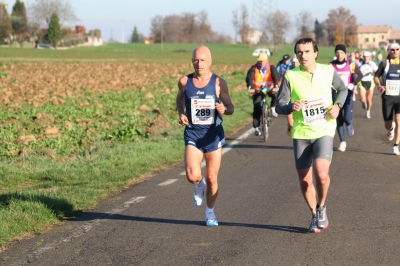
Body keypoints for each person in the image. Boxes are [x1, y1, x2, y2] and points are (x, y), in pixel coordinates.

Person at [275, 37, 348, 233]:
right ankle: (315, 214)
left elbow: (342, 89)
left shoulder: (328, 71)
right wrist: (291, 106)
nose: (303, 55)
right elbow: (279, 106)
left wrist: (337, 106)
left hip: (324, 129)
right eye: (300, 52)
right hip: (301, 133)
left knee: (321, 174)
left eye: (307, 51)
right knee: (305, 181)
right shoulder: (290, 76)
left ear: (315, 52)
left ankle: (322, 206)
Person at [176, 46, 234, 226]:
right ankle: (199, 185)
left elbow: (230, 107)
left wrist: (224, 109)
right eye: (195, 60)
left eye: (202, 60)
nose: (198, 63)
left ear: (210, 61)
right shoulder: (185, 82)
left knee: (212, 177)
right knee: (193, 176)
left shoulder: (218, 83)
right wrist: (181, 113)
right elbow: (179, 99)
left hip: (213, 135)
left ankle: (210, 212)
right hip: (193, 132)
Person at [374, 42, 400, 155]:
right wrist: (380, 86)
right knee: (388, 124)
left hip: (399, 97)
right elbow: (376, 77)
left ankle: (396, 145)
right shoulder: (384, 64)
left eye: (397, 49)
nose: (395, 51)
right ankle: (390, 129)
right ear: (389, 51)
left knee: (399, 121)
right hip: (388, 97)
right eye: (392, 50)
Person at [245, 52, 280, 136]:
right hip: (258, 90)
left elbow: (276, 76)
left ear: (266, 60)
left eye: (263, 61)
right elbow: (249, 78)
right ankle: (256, 127)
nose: (261, 63)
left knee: (275, 95)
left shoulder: (271, 67)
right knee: (257, 107)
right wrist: (250, 88)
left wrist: (276, 86)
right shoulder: (254, 68)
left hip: (270, 88)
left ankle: (273, 108)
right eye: (260, 61)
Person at [330, 44, 356, 152]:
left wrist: (353, 84)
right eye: (337, 53)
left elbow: (357, 75)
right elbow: (326, 78)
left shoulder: (350, 64)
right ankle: (342, 142)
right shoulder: (331, 65)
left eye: (341, 52)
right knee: (338, 118)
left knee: (347, 118)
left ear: (345, 54)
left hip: (348, 94)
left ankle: (349, 124)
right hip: (336, 95)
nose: (339, 55)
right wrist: (329, 85)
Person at [354, 51, 378, 118]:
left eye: (367, 57)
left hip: (370, 82)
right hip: (362, 82)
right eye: (364, 57)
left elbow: (377, 71)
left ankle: (368, 111)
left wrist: (375, 73)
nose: (366, 58)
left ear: (369, 57)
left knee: (369, 99)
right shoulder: (360, 64)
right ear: (362, 57)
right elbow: (356, 73)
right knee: (362, 99)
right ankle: (363, 103)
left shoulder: (372, 63)